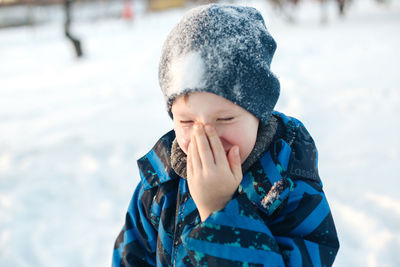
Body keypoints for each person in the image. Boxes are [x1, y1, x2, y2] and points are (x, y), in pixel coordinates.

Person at [112, 4, 339, 267]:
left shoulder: (288, 188)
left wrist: (218, 210)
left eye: (225, 119)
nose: (204, 136)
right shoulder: (159, 187)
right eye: (186, 120)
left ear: (259, 114)